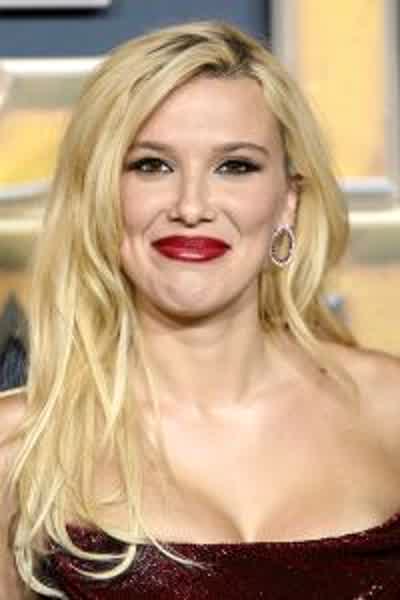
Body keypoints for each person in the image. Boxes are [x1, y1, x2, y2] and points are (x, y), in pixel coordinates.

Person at [1, 19, 400, 599]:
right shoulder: (19, 447)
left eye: (235, 166)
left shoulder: (390, 409)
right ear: (100, 195)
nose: (191, 206)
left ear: (287, 202)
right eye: (151, 165)